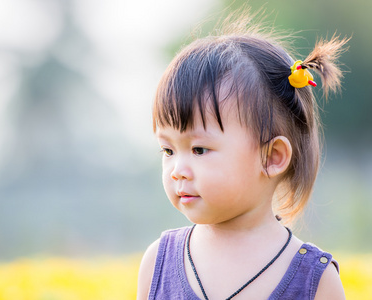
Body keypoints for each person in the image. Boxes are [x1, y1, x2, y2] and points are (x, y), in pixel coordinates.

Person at [137, 9, 349, 300]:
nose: (177, 169)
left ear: (272, 157)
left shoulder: (315, 282)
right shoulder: (157, 265)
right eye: (168, 150)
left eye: (199, 149)